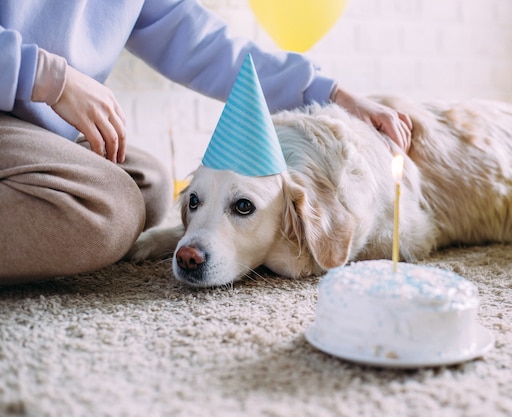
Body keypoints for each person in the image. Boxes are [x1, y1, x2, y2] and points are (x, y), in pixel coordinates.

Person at [0, 0, 412, 284]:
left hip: (34, 131)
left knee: (150, 184)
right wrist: (42, 75)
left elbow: (203, 43)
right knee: (111, 210)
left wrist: (331, 91)